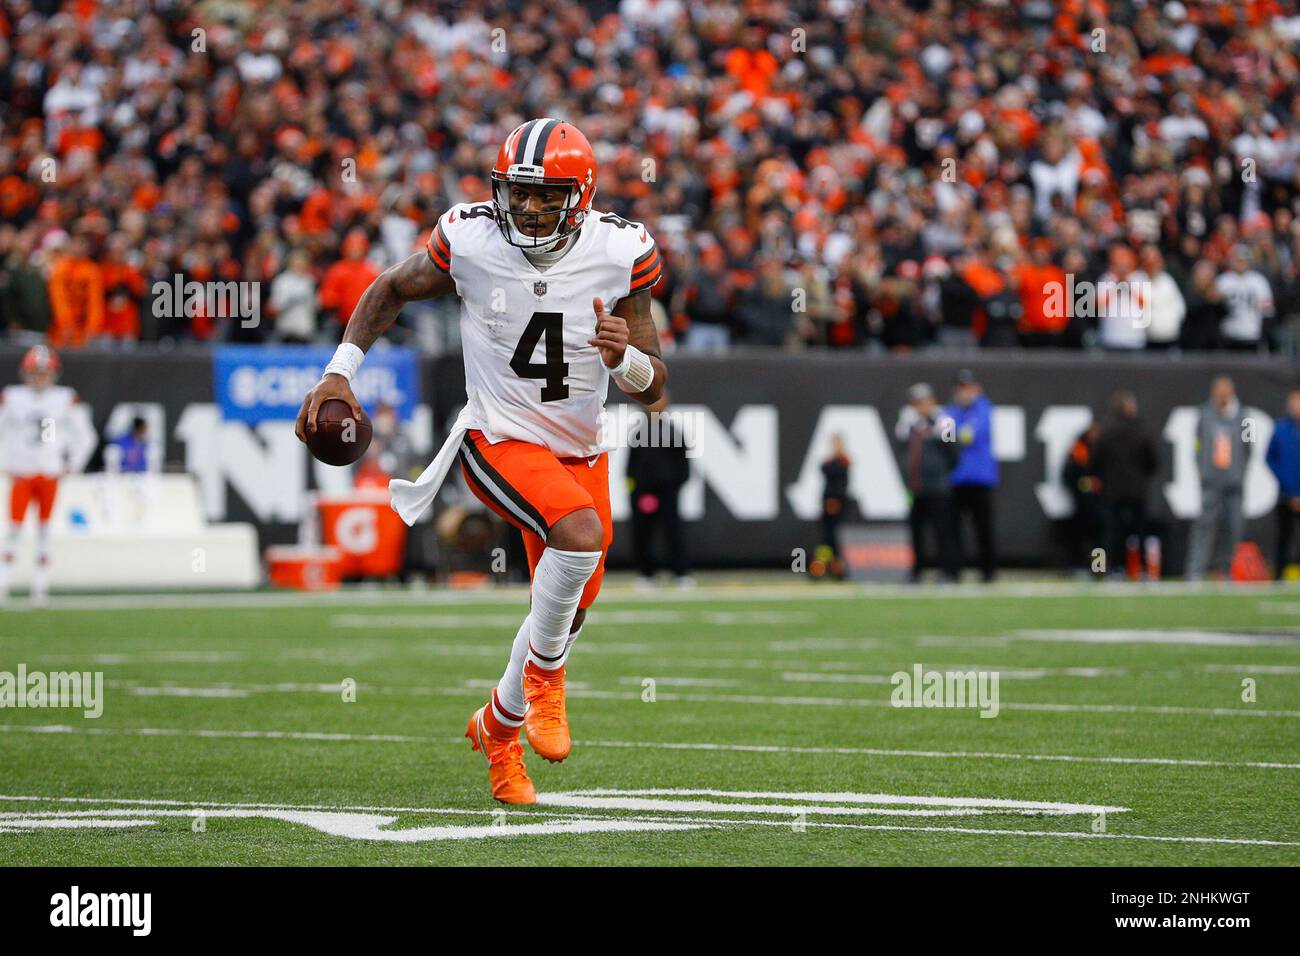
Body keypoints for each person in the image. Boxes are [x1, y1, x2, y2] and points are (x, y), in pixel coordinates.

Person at [296, 119, 668, 806]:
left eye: (543, 195)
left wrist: (627, 359)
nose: (526, 208)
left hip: (579, 450)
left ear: (578, 197)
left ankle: (498, 730)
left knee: (567, 609)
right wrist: (339, 371)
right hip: (497, 436)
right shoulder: (469, 239)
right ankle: (549, 685)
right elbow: (391, 288)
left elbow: (656, 392)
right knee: (579, 539)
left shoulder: (622, 252)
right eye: (516, 192)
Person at [0, 346, 96, 604]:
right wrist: (4, 461)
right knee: (12, 529)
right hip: (21, 473)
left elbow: (86, 436)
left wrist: (72, 464)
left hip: (49, 473)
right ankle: (3, 583)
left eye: (44, 373)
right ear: (26, 373)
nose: (40, 378)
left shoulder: (64, 398)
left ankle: (40, 588)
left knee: (44, 530)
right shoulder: (12, 397)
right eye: (35, 372)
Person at [1090, 391, 1160, 580]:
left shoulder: (1105, 432)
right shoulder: (1141, 431)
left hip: (1112, 490)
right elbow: (1153, 461)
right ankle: (1144, 570)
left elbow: (1094, 462)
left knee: (1113, 532)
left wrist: (1105, 477)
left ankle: (1113, 569)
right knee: (1140, 531)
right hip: (1137, 489)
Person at [1185, 376, 1248, 580]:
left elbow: (1250, 447)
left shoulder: (1244, 417)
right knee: (1204, 526)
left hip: (1234, 482)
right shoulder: (1204, 415)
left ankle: (1228, 571)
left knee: (1234, 527)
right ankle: (1195, 571)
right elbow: (1197, 446)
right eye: (1219, 391)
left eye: (1225, 391)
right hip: (1211, 482)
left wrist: (1240, 472)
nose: (1222, 395)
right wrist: (1202, 471)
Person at [625, 393, 692, 586]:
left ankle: (680, 573)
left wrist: (677, 486)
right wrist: (634, 491)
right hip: (644, 493)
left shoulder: (674, 432)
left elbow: (683, 464)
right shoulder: (639, 432)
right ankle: (646, 573)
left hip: (668, 492)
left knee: (673, 532)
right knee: (643, 532)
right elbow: (631, 466)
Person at [899, 383, 959, 582]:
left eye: (922, 402)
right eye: (916, 403)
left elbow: (953, 453)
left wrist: (940, 474)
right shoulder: (908, 423)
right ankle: (917, 571)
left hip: (938, 487)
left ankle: (949, 572)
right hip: (915, 487)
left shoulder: (945, 421)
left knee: (943, 531)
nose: (919, 407)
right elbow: (902, 448)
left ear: (932, 401)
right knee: (916, 532)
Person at [945, 369, 998, 582]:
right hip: (956, 478)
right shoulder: (950, 411)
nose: (965, 392)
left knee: (983, 528)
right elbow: (946, 438)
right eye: (961, 388)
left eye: (969, 387)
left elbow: (970, 436)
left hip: (980, 478)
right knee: (953, 530)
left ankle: (988, 571)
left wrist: (957, 434)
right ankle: (954, 571)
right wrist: (958, 434)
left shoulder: (984, 409)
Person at [1265, 388, 1300, 579]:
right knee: (1283, 536)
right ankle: (1279, 575)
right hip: (1285, 494)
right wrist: (1289, 488)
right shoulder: (1280, 429)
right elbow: (1270, 458)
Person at [814, 433, 850, 580]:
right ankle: (822, 568)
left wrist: (835, 501)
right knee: (826, 538)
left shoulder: (843, 461)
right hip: (827, 502)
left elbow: (840, 482)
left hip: (836, 503)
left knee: (833, 538)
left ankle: (837, 569)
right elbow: (823, 468)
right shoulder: (832, 461)